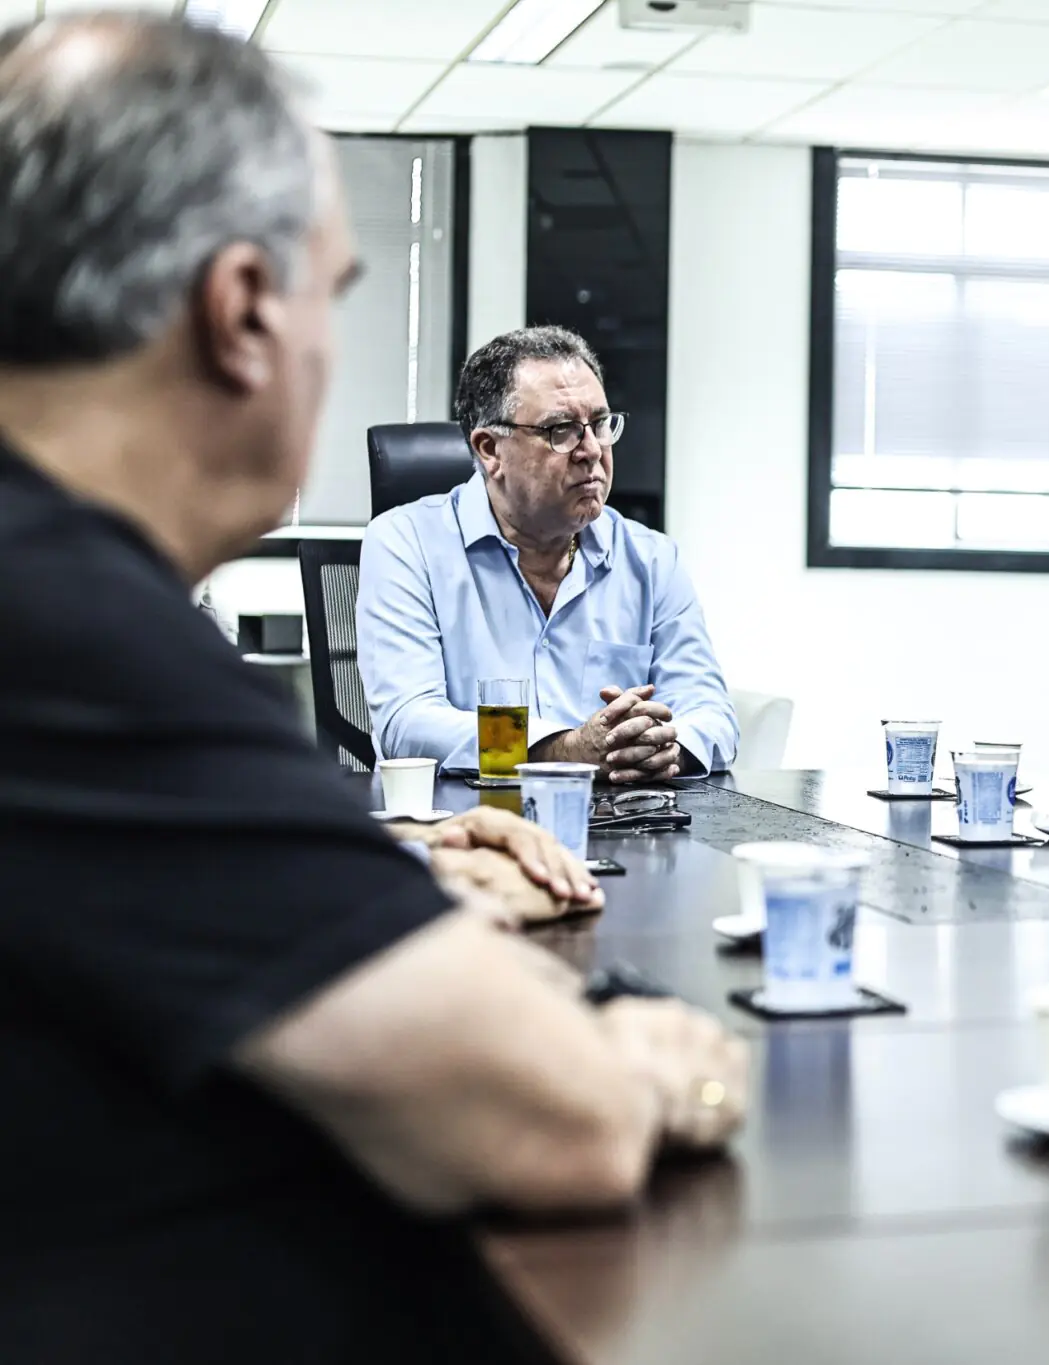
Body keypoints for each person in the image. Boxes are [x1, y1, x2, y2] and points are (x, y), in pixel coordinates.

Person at [0, 16, 750, 1362]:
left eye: (600, 425)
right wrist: (643, 1051)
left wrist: (387, 870)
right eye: (332, 295)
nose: (590, 449)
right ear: (243, 312)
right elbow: (556, 1122)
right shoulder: (73, 626)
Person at [358, 325, 739, 783]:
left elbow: (711, 713)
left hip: (622, 811)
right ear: (490, 450)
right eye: (562, 430)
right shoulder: (406, 543)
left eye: (600, 424)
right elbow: (409, 724)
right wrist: (564, 750)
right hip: (471, 816)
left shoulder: (652, 559)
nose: (592, 450)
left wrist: (666, 747)